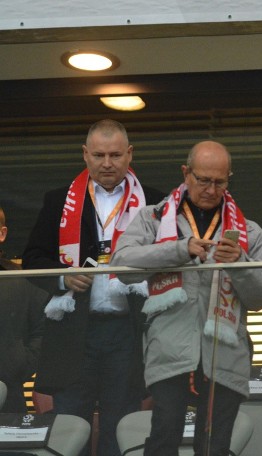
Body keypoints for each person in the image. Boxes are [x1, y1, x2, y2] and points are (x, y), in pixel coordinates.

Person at [112, 140, 262, 456]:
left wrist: (240, 264)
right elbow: (121, 266)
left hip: (226, 353)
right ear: (186, 173)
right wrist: (178, 249)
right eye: (203, 179)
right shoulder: (154, 218)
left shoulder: (247, 231)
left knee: (214, 446)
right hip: (170, 346)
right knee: (164, 435)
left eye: (220, 182)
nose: (211, 189)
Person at [22, 120, 163, 456]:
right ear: (85, 155)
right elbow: (32, 259)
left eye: (115, 154)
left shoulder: (156, 202)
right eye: (98, 154)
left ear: (130, 154)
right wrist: (62, 276)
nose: (107, 163)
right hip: (74, 332)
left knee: (123, 425)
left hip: (127, 330)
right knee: (70, 425)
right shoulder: (59, 200)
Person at [0, 205, 48, 413]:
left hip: (11, 393)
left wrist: (20, 365)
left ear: (2, 234)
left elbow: (42, 330)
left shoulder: (24, 279)